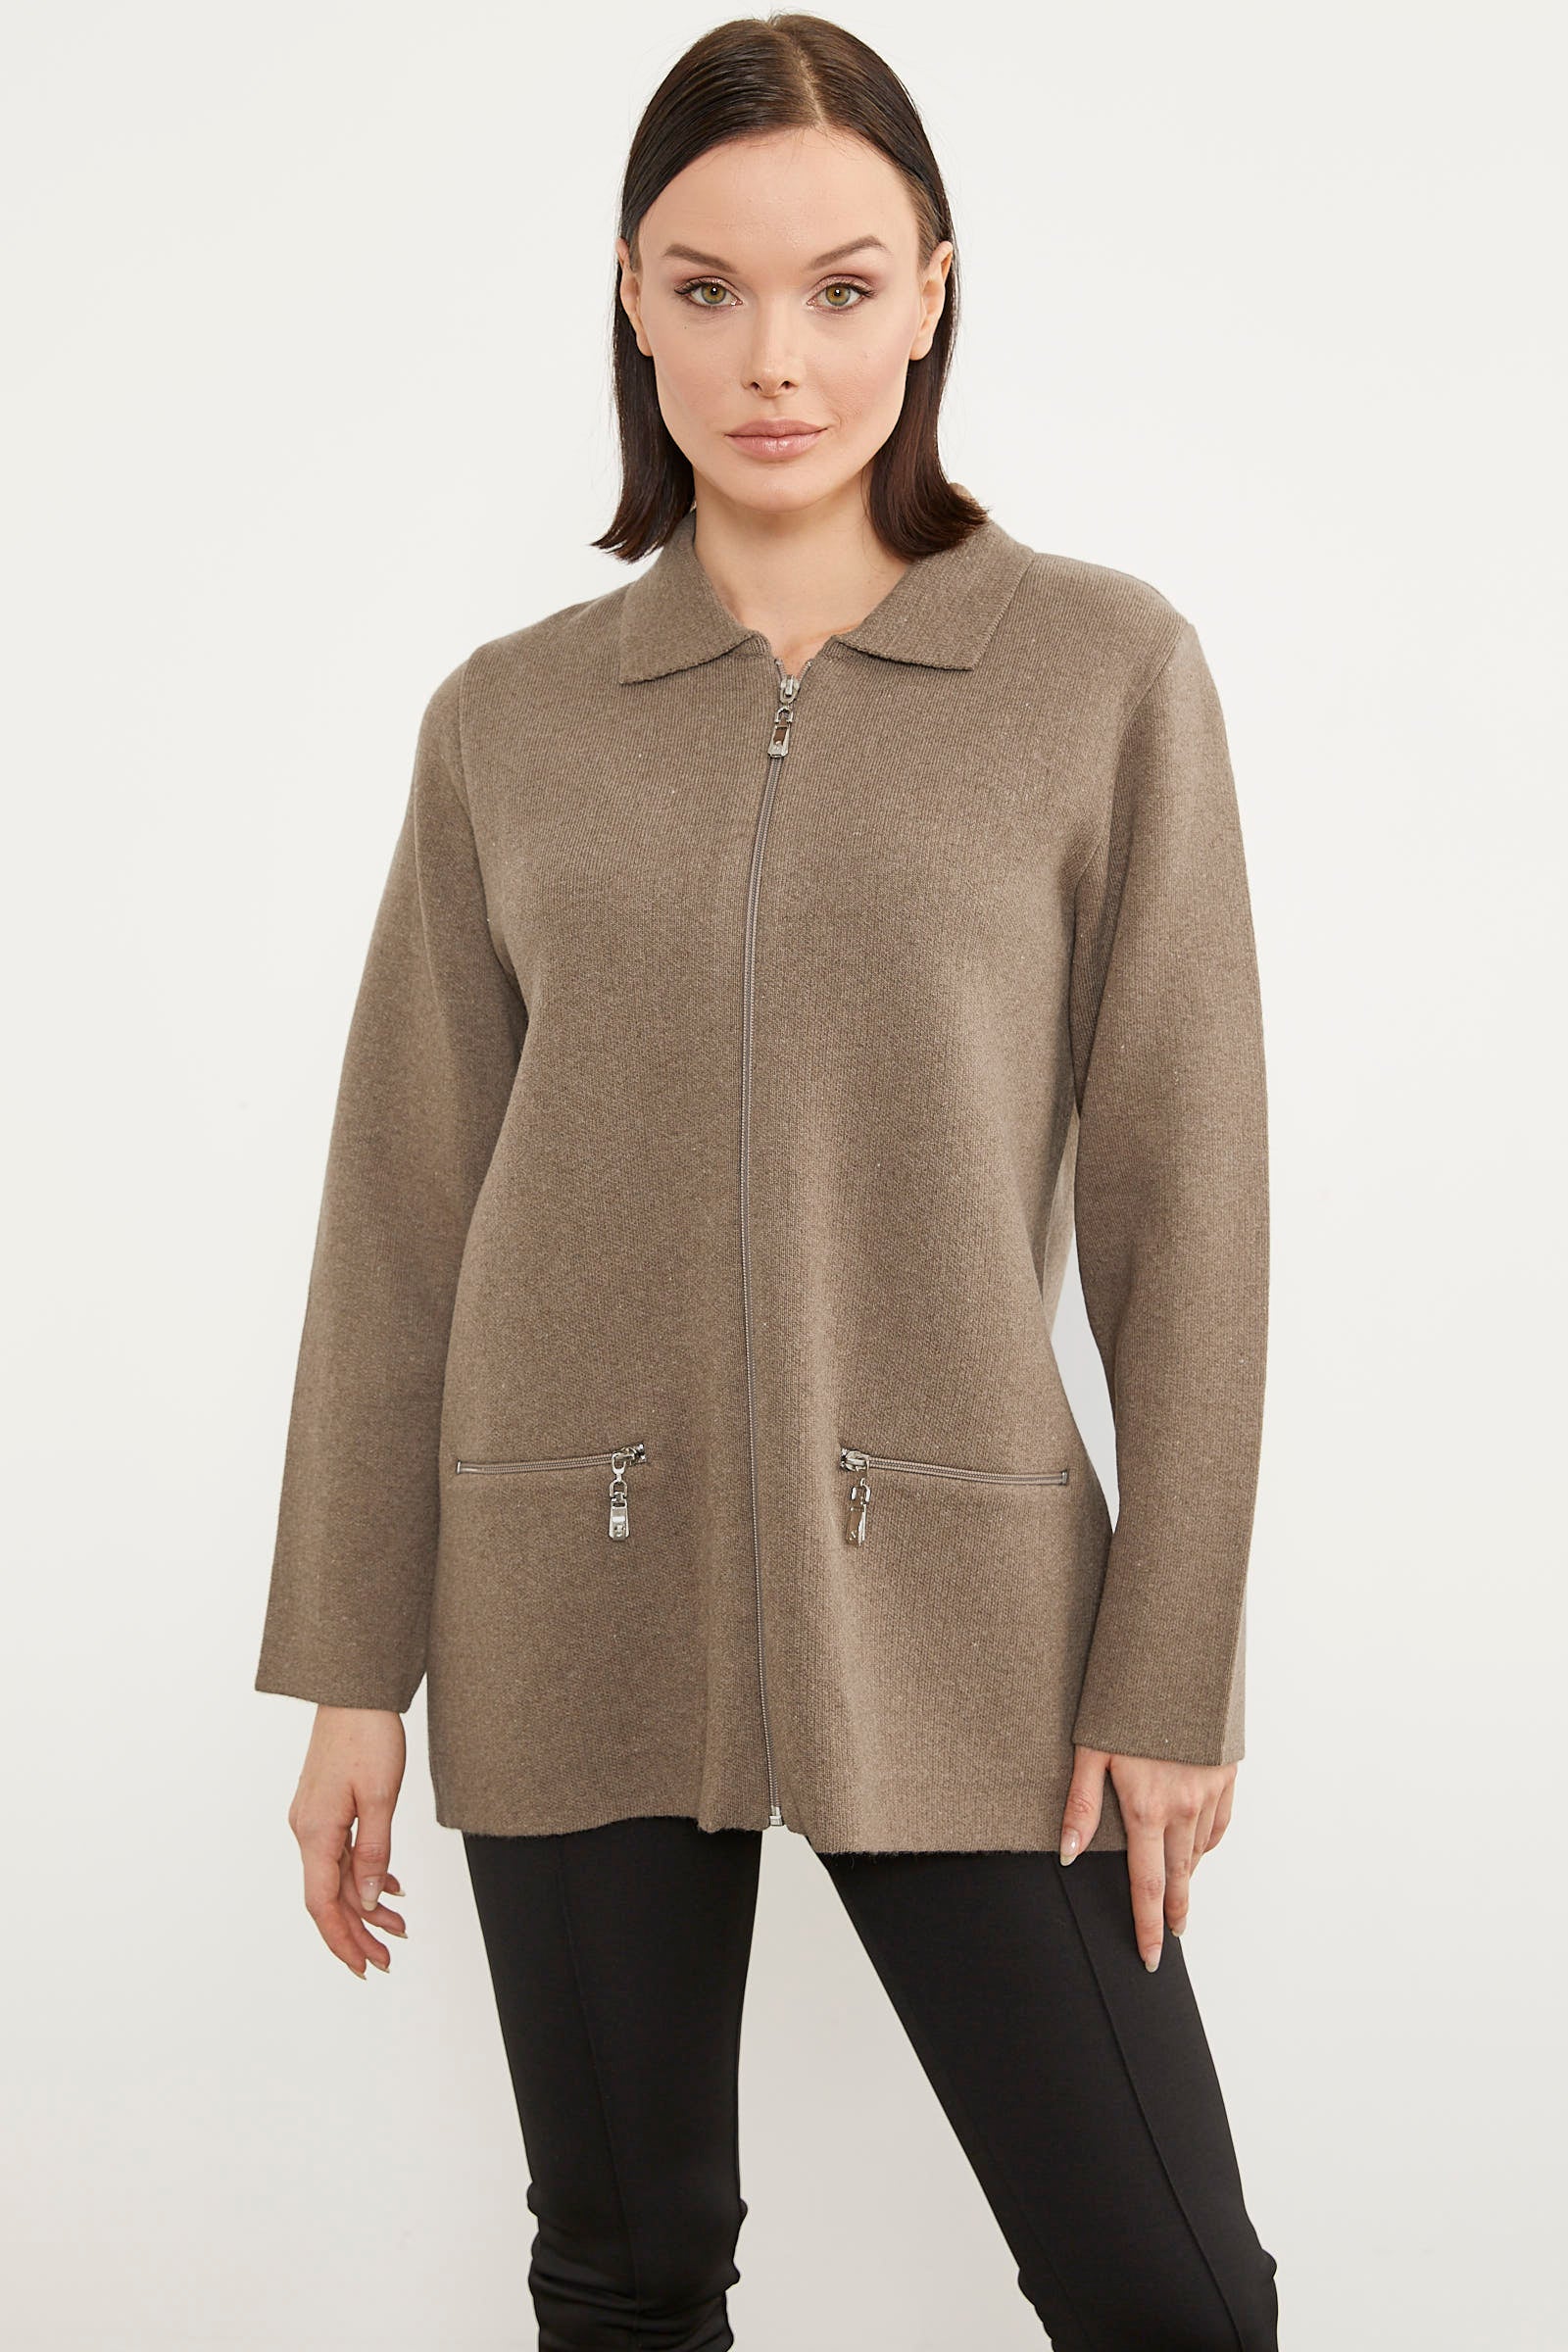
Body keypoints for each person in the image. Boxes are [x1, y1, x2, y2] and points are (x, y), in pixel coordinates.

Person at [255, 14, 1281, 2346]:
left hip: (973, 1611)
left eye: (838, 287)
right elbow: (401, 1215)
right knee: (621, 2276)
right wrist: (347, 1672)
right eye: (706, 289)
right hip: (566, 1575)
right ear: (631, 298)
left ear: (931, 293)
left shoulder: (1100, 673)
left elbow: (1186, 1205)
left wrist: (1171, 1665)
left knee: (1167, 2291)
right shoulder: (509, 720)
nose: (773, 361)